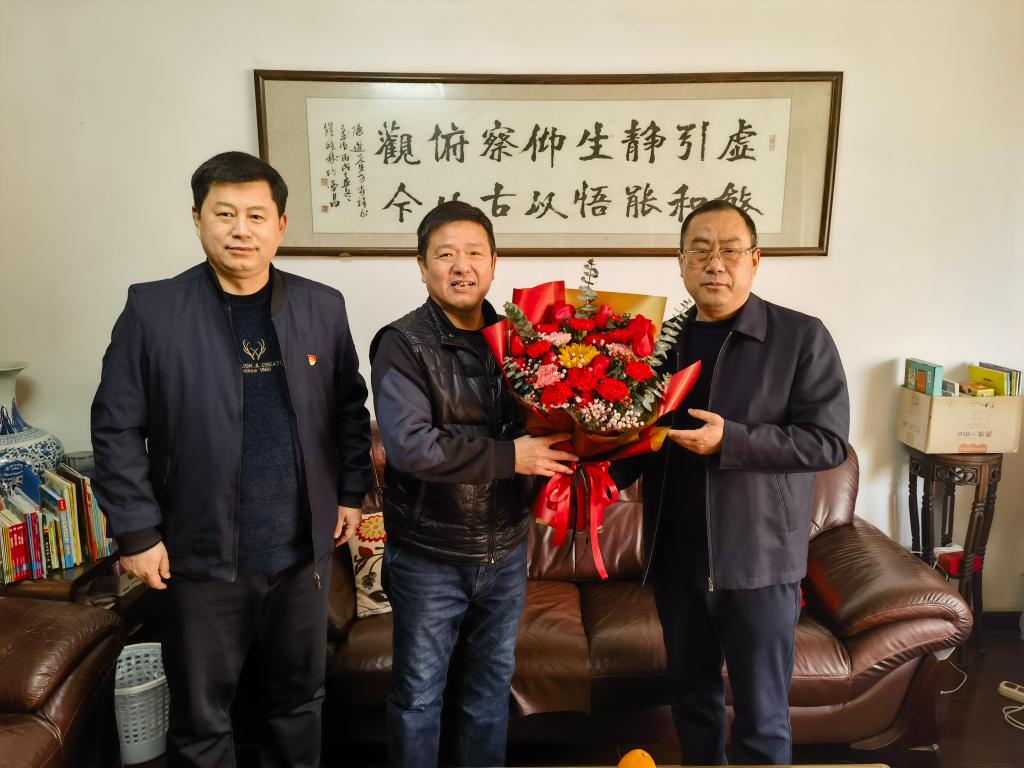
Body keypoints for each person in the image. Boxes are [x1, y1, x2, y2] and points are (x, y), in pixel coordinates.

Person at [91, 151, 372, 768]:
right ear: (197, 219)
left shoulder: (322, 306)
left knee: (298, 704)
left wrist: (351, 493)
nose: (240, 229)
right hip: (199, 558)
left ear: (280, 225)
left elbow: (349, 408)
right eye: (224, 214)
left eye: (256, 215)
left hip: (299, 557)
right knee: (201, 717)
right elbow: (116, 427)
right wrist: (137, 532)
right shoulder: (153, 310)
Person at [614, 199, 849, 766]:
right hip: (678, 558)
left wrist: (733, 441)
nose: (714, 263)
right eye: (699, 250)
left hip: (758, 560)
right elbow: (638, 436)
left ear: (755, 260)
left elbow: (827, 443)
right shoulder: (659, 343)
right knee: (692, 702)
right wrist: (590, 464)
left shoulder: (800, 337)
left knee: (762, 716)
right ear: (680, 262)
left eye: (729, 250)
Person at [370, 200, 577, 768]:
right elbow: (411, 447)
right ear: (422, 266)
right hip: (430, 555)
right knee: (418, 700)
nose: (461, 266)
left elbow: (550, 418)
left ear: (493, 263)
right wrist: (512, 457)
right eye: (445, 255)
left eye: (473, 253)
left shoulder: (524, 340)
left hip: (505, 551)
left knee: (488, 697)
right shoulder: (403, 342)